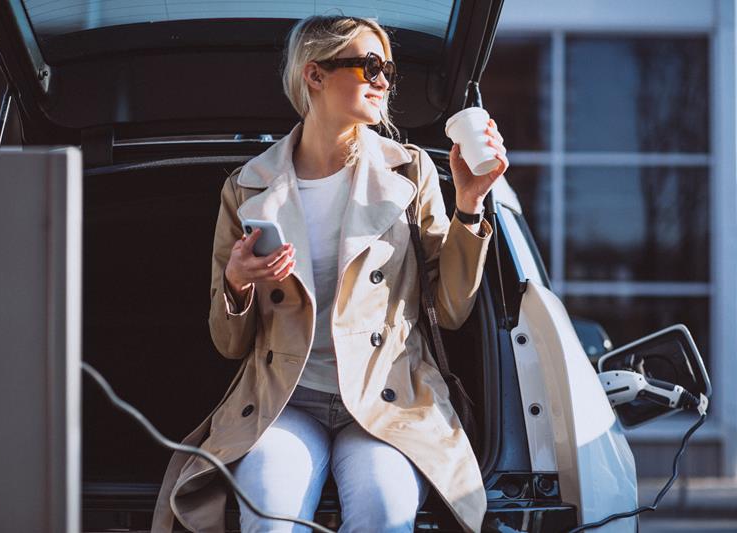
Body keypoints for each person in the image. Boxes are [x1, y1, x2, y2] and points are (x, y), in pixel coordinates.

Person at [150, 14, 508, 533]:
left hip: (390, 398)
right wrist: (237, 282)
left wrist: (470, 204)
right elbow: (229, 345)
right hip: (285, 401)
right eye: (369, 66)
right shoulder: (248, 188)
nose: (384, 80)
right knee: (269, 514)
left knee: (385, 511)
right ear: (314, 76)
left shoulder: (410, 173)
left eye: (388, 67)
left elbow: (451, 311)